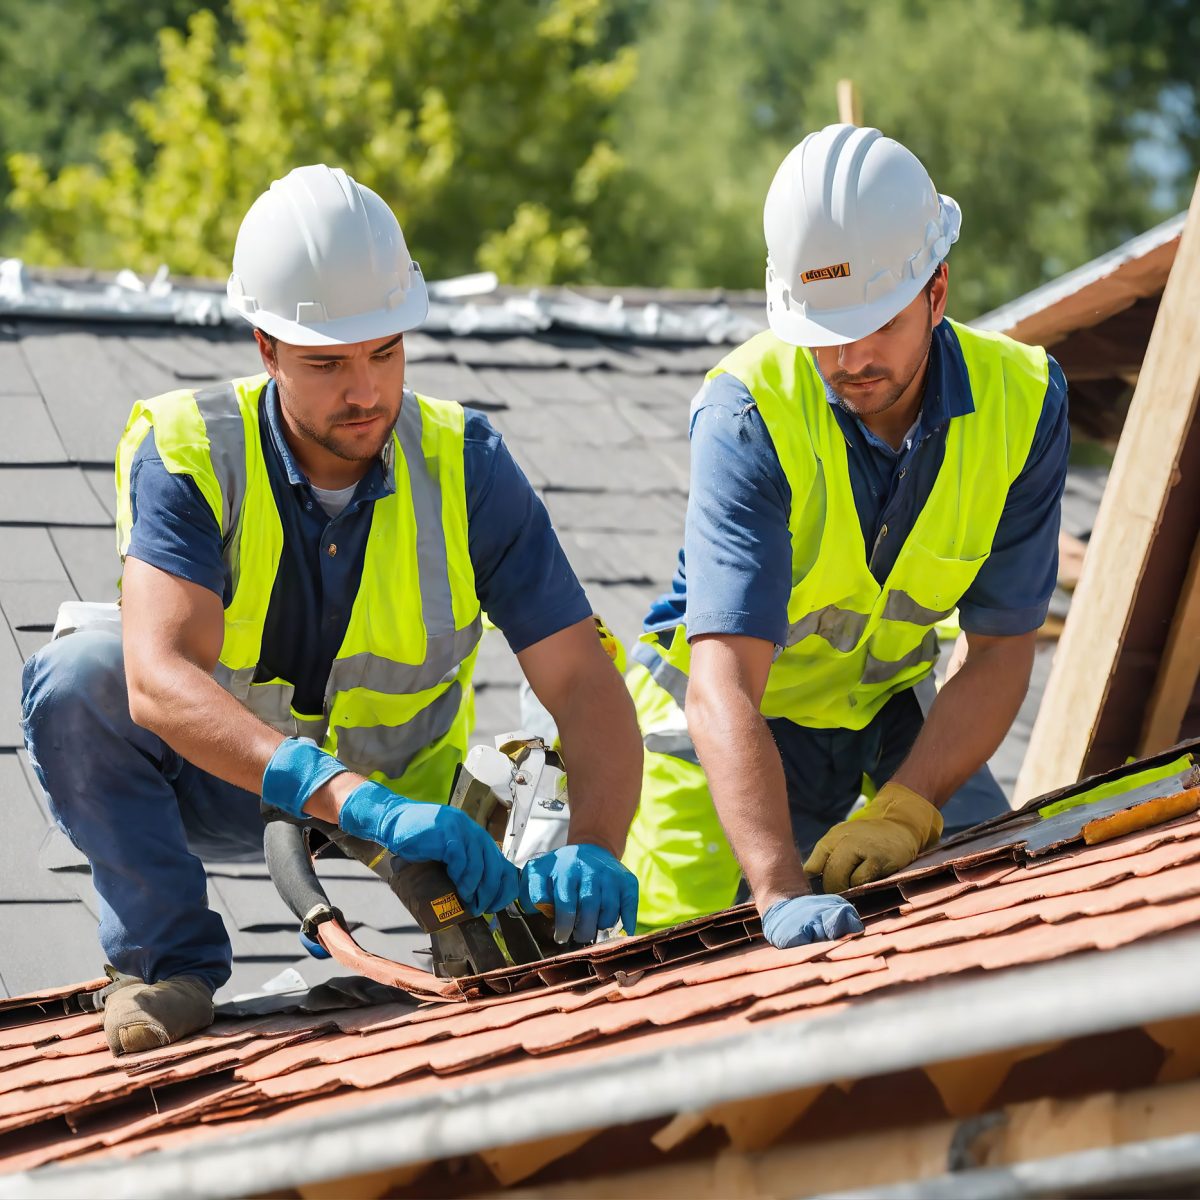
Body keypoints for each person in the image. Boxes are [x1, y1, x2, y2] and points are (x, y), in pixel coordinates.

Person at [21, 165, 642, 1055]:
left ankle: (484, 951)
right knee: (80, 679)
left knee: (528, 987)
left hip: (420, 812)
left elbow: (582, 681)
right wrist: (350, 802)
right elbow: (157, 683)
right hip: (227, 780)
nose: (366, 391)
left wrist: (597, 842)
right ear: (266, 347)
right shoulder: (189, 449)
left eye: (385, 351)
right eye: (328, 362)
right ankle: (166, 965)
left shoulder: (466, 463)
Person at [620, 124, 1069, 949]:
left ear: (938, 293)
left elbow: (1002, 651)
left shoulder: (1025, 400)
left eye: (878, 322)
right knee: (673, 979)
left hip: (879, 718)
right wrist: (780, 889)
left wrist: (906, 807)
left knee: (1002, 907)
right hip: (714, 737)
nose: (851, 356)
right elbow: (721, 686)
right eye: (825, 329)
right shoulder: (748, 413)